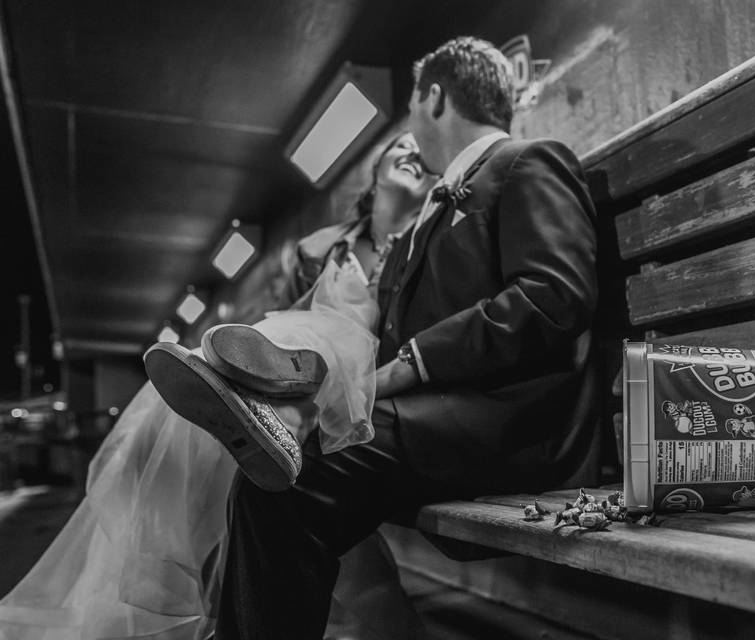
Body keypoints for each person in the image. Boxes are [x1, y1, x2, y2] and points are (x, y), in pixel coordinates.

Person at [147, 36, 600, 639]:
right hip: (457, 419)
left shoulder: (528, 161)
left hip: (518, 425)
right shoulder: (428, 215)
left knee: (296, 477)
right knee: (278, 476)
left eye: (412, 104)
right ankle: (281, 402)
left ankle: (281, 409)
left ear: (433, 97)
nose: (412, 119)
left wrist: (410, 362)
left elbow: (553, 297)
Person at [0, 132, 434, 640]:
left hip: (373, 391)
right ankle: (259, 410)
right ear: (375, 165)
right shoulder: (319, 247)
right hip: (309, 374)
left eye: (421, 150)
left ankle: (268, 411)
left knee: (318, 349)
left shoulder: (429, 241)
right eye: (399, 144)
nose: (411, 152)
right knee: (208, 435)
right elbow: (296, 304)